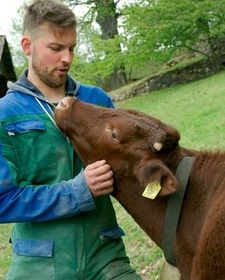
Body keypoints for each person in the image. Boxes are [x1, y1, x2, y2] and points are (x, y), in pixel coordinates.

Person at [0, 0, 142, 279]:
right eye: (56, 48)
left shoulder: (96, 100)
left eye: (72, 48)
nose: (67, 58)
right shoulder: (4, 115)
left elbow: (131, 166)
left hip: (105, 257)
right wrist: (77, 191)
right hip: (37, 263)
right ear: (27, 46)